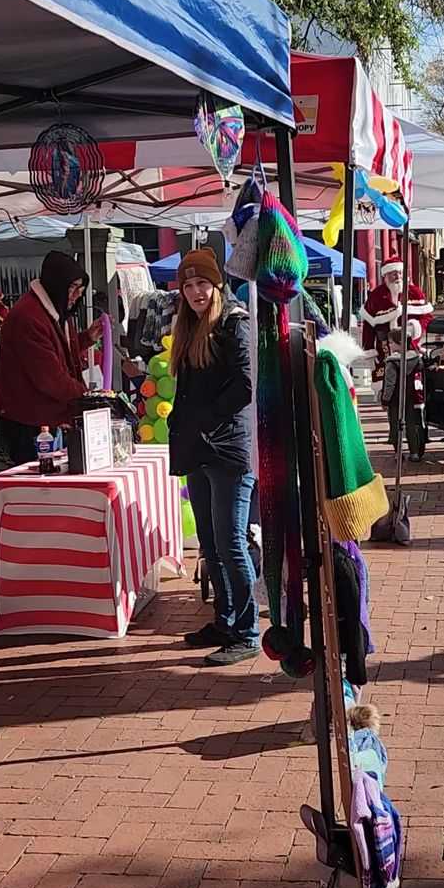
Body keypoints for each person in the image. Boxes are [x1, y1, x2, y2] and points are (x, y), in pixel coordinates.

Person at [167, 248, 258, 666]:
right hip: (197, 447)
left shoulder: (234, 323)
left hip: (227, 448)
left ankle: (247, 630)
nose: (195, 291)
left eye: (202, 282)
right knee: (209, 542)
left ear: (217, 284)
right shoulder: (188, 327)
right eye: (188, 285)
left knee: (230, 541)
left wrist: (205, 419)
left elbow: (243, 386)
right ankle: (224, 620)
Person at [0, 250, 101, 464]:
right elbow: (50, 378)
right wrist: (89, 398)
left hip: (46, 416)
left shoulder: (54, 311)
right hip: (28, 420)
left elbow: (57, 351)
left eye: (81, 288)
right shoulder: (28, 317)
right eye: (73, 287)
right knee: (40, 487)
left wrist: (87, 338)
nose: (77, 294)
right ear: (56, 284)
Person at [360, 257, 432, 379]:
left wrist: (416, 326)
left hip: (411, 348)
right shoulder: (376, 296)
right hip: (384, 349)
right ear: (385, 276)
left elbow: (427, 317)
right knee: (385, 384)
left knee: (411, 383)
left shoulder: (415, 293)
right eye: (393, 274)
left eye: (400, 273)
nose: (398, 276)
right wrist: (369, 349)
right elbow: (368, 325)